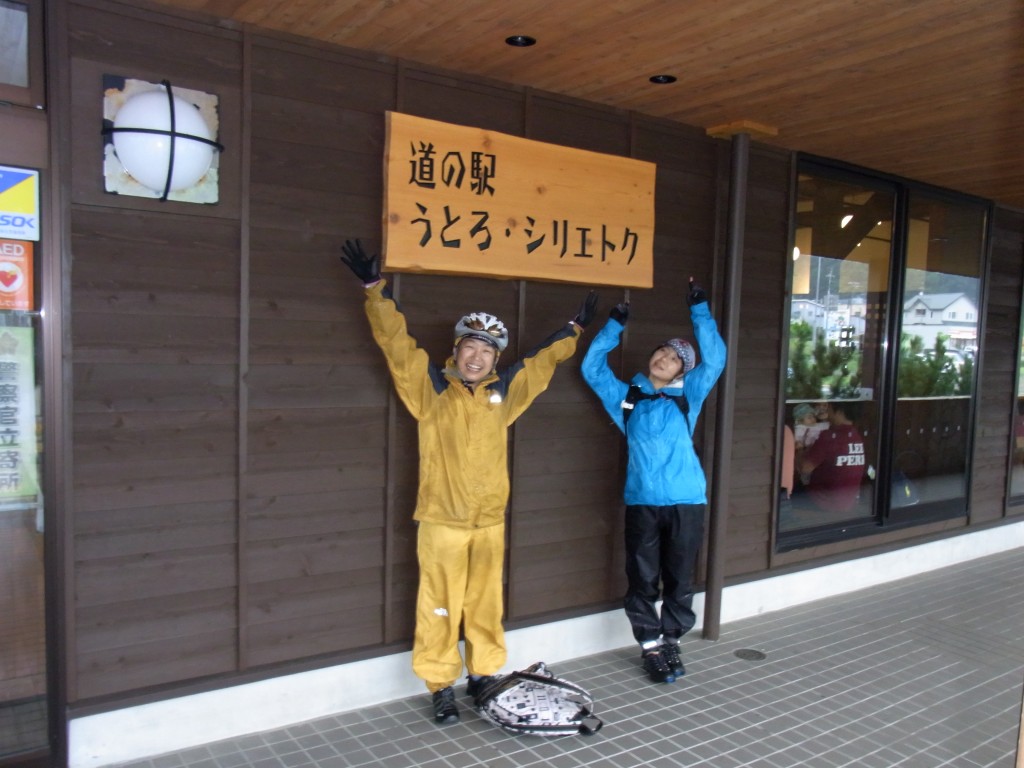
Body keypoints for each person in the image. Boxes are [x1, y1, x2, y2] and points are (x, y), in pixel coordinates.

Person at [340, 239, 597, 724]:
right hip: (441, 521)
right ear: (455, 351)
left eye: (486, 349)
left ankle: (483, 676)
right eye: (469, 347)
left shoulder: (506, 394)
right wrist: (375, 289)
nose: (477, 356)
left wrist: (574, 329)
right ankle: (440, 683)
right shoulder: (431, 390)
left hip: (489, 522)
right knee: (438, 605)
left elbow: (542, 362)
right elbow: (397, 344)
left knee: (485, 603)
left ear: (496, 358)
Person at [581, 278, 726, 684]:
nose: (664, 357)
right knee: (642, 577)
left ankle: (671, 639)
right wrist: (613, 325)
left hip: (687, 501)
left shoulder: (688, 395)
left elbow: (714, 359)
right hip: (642, 501)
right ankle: (649, 645)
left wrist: (699, 309)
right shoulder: (627, 397)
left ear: (684, 369)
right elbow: (591, 368)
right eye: (661, 351)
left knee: (681, 576)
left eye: (674, 357)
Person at [796, 401, 867, 514]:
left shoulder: (831, 437)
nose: (827, 411)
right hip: (848, 503)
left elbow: (804, 467)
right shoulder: (856, 436)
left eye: (829, 407)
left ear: (838, 412)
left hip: (822, 502)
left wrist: (799, 449)